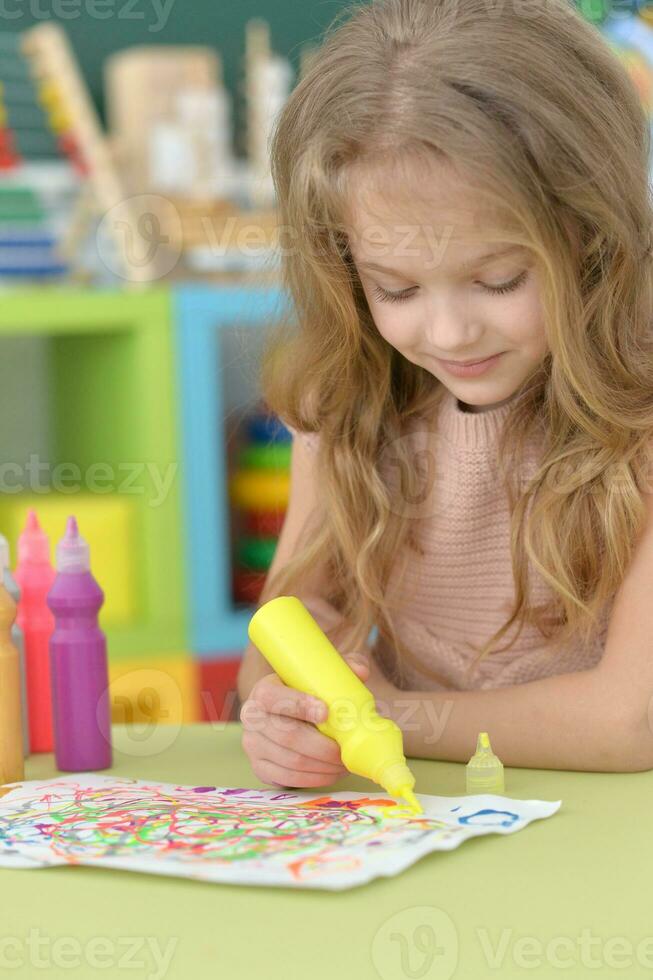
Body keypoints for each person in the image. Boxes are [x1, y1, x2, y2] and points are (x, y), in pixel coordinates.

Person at [237, 0, 653, 783]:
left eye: (497, 279)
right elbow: (283, 631)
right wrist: (286, 708)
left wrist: (385, 716)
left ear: (593, 239)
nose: (450, 332)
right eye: (393, 289)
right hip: (419, 832)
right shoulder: (345, 404)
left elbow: (628, 722)